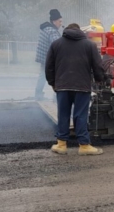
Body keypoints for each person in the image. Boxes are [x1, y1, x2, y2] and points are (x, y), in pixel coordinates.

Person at [45, 23, 106, 156]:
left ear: (66, 31)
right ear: (80, 31)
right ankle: (84, 145)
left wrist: (53, 83)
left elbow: (49, 66)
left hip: (62, 86)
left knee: (63, 114)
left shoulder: (56, 44)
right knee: (80, 115)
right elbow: (97, 65)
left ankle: (61, 144)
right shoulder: (90, 45)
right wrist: (99, 79)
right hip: (82, 86)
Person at [34, 9, 63, 100]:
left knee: (42, 75)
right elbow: (57, 45)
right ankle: (56, 96)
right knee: (58, 76)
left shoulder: (45, 29)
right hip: (49, 59)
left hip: (44, 58)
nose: (61, 23)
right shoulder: (52, 31)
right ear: (54, 21)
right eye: (59, 21)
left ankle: (38, 94)